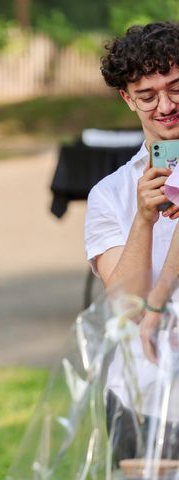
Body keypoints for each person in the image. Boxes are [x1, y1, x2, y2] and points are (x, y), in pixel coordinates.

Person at [84, 21, 179, 464]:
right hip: (143, 389)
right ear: (127, 98)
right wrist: (143, 218)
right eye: (148, 96)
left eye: (176, 87)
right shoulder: (111, 193)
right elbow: (123, 306)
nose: (165, 105)